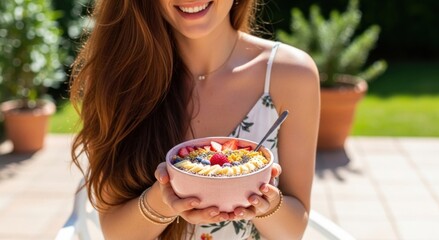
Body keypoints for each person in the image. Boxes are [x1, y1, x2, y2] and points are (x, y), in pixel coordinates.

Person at [70, 0, 320, 239]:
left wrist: (265, 203)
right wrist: (164, 200)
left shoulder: (291, 74)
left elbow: (293, 231)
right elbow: (115, 233)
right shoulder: (118, 79)